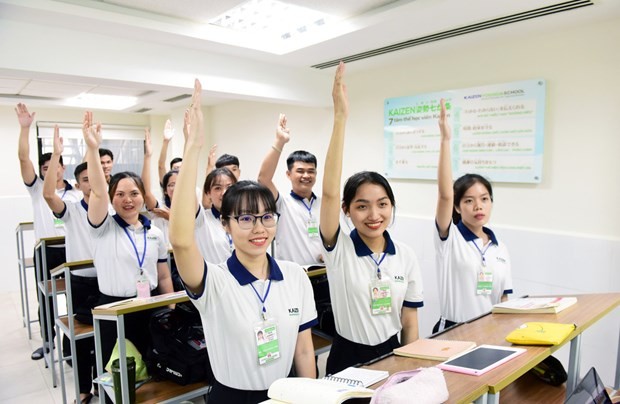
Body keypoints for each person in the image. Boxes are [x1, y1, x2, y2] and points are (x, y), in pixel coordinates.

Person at [169, 79, 317, 403]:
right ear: (226, 225)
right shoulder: (214, 281)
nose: (258, 228)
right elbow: (181, 241)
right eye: (246, 219)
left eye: (266, 217)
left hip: (288, 394)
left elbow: (304, 350)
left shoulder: (295, 276)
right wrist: (191, 148)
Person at [320, 62, 424, 375]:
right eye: (362, 206)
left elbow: (410, 320)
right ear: (346, 210)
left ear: (392, 206)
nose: (374, 215)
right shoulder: (338, 250)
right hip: (346, 358)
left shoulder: (405, 256)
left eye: (382, 204)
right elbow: (327, 193)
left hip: (392, 354)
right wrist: (340, 118)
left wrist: (410, 370)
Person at [82, 110, 173, 367]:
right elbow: (98, 193)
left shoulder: (154, 233)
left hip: (151, 305)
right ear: (112, 199)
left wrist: (171, 309)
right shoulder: (102, 227)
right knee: (117, 376)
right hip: (114, 309)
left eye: (134, 193)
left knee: (153, 371)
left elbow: (164, 276)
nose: (128, 200)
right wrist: (92, 149)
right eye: (120, 194)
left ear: (143, 197)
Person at [433, 99, 512, 333]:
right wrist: (446, 140)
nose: (478, 206)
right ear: (457, 207)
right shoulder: (449, 239)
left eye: (484, 199)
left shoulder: (500, 249)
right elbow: (445, 195)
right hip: (454, 332)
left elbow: (504, 299)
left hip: (490, 331)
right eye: (469, 200)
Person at [16, 103, 82, 360]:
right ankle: (47, 340)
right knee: (46, 299)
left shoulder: (76, 192)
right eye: (44, 168)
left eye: (54, 166)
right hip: (46, 250)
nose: (49, 171)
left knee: (75, 296)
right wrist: (25, 129)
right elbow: (24, 158)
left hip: (72, 250)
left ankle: (72, 342)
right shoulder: (37, 189)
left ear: (62, 167)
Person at [42, 126, 98, 403]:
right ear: (78, 184)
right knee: (84, 339)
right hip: (81, 280)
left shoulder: (111, 209)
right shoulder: (73, 209)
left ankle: (103, 382)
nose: (92, 183)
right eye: (86, 179)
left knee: (107, 336)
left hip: (109, 281)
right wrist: (56, 155)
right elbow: (49, 195)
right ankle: (84, 389)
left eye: (96, 178)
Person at [257, 114, 323, 266]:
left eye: (311, 171)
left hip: (325, 274)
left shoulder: (324, 203)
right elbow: (263, 179)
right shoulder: (282, 203)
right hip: (295, 276)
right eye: (300, 171)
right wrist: (279, 142)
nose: (306, 175)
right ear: (288, 174)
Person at [196, 167, 238, 263]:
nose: (224, 193)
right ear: (208, 193)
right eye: (218, 188)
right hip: (215, 276)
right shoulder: (201, 220)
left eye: (229, 187)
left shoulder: (244, 219)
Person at [158, 118, 183, 185]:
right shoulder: (167, 183)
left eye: (181, 167)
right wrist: (166, 141)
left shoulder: (192, 187)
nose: (179, 170)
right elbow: (161, 166)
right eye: (176, 168)